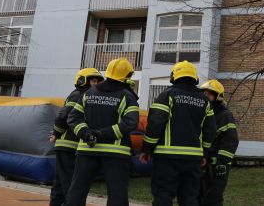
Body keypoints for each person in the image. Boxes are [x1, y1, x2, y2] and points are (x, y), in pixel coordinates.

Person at [139, 61, 216, 206]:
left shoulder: (167, 96)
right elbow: (210, 130)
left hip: (167, 158)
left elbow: (155, 124)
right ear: (195, 78)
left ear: (173, 77)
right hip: (193, 159)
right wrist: (204, 153)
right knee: (189, 198)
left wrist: (147, 149)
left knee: (163, 195)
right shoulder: (205, 101)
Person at [65, 58, 139, 206]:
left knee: (77, 191)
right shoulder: (127, 96)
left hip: (87, 150)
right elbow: (130, 123)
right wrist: (102, 133)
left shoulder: (89, 92)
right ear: (127, 75)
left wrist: (86, 133)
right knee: (117, 194)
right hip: (116, 153)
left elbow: (73, 117)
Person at [49, 68, 104, 206]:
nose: (96, 84)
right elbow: (63, 117)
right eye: (93, 80)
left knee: (60, 184)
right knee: (69, 183)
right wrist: (56, 133)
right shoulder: (78, 95)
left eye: (97, 81)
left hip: (71, 147)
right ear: (82, 81)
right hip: (69, 145)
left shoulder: (89, 96)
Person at [198, 80, 239, 206]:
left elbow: (230, 140)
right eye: (204, 93)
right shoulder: (200, 113)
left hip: (217, 166)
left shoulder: (224, 115)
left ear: (218, 96)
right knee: (196, 198)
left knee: (212, 200)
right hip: (201, 164)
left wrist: (222, 163)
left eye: (209, 94)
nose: (206, 96)